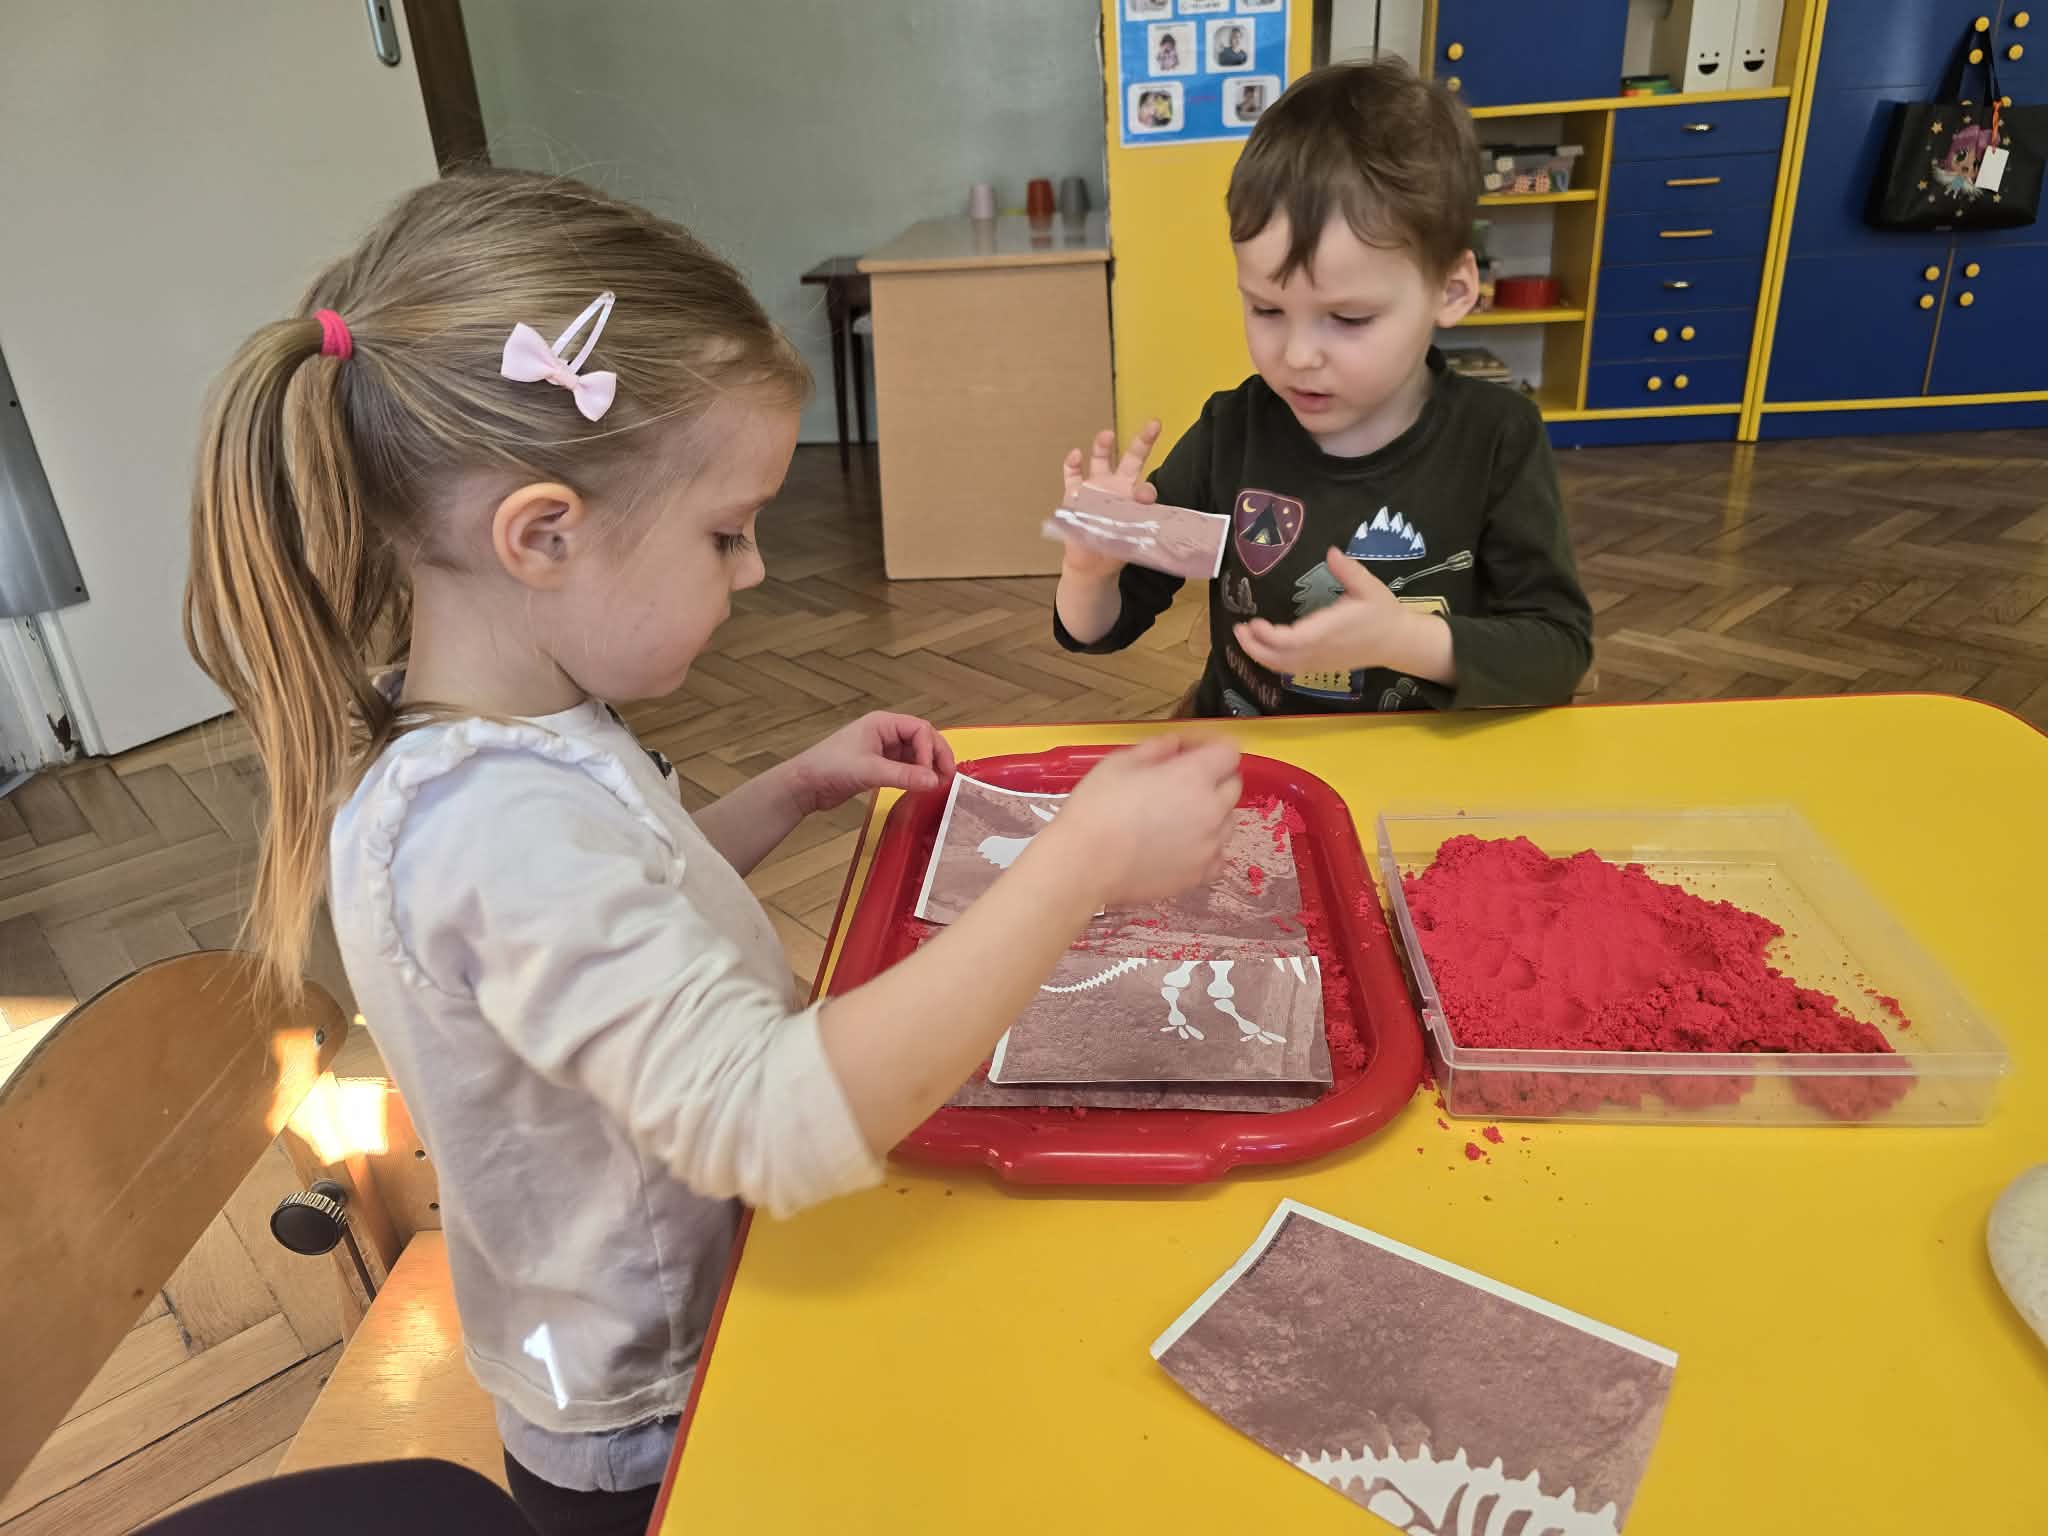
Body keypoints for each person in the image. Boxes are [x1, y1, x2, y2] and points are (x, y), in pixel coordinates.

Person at [184, 170, 1241, 1536]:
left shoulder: (510, 731)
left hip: (714, 1312)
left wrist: (788, 792)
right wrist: (1076, 866)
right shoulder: (493, 831)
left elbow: (633, 897)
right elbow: (769, 1124)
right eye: (725, 533)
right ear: (543, 534)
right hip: (657, 1422)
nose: (752, 573)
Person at [1053, 60, 1592, 717]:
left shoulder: (1497, 438)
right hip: (1250, 760)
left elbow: (1558, 651)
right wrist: (1089, 574)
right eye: (1266, 309)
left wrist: (1405, 640)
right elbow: (1103, 625)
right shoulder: (1232, 432)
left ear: (1452, 290)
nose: (1298, 356)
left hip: (1420, 766)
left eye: (1349, 318)